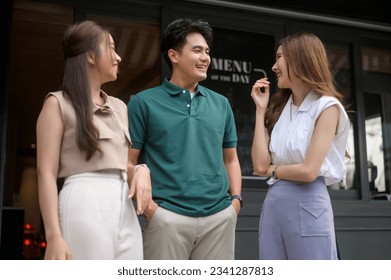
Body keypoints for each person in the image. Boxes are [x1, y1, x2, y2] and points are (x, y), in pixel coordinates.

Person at [127, 18, 242, 260]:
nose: (206, 58)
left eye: (207, 51)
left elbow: (230, 159)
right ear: (174, 55)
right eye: (197, 50)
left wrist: (235, 203)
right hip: (167, 217)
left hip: (220, 217)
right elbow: (128, 162)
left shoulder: (221, 104)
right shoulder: (143, 102)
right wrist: (152, 211)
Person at [36, 20, 143, 260]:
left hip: (123, 202)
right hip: (84, 200)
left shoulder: (119, 107)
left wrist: (140, 170)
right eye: (111, 48)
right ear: (91, 56)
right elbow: (46, 173)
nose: (119, 58)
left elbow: (118, 162)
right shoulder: (57, 104)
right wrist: (53, 235)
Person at [251, 32, 350, 260]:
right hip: (274, 202)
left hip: (309, 202)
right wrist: (260, 110)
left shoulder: (327, 107)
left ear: (300, 59)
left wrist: (273, 171)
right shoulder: (278, 108)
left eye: (280, 58)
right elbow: (259, 164)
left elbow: (308, 171)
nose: (274, 66)